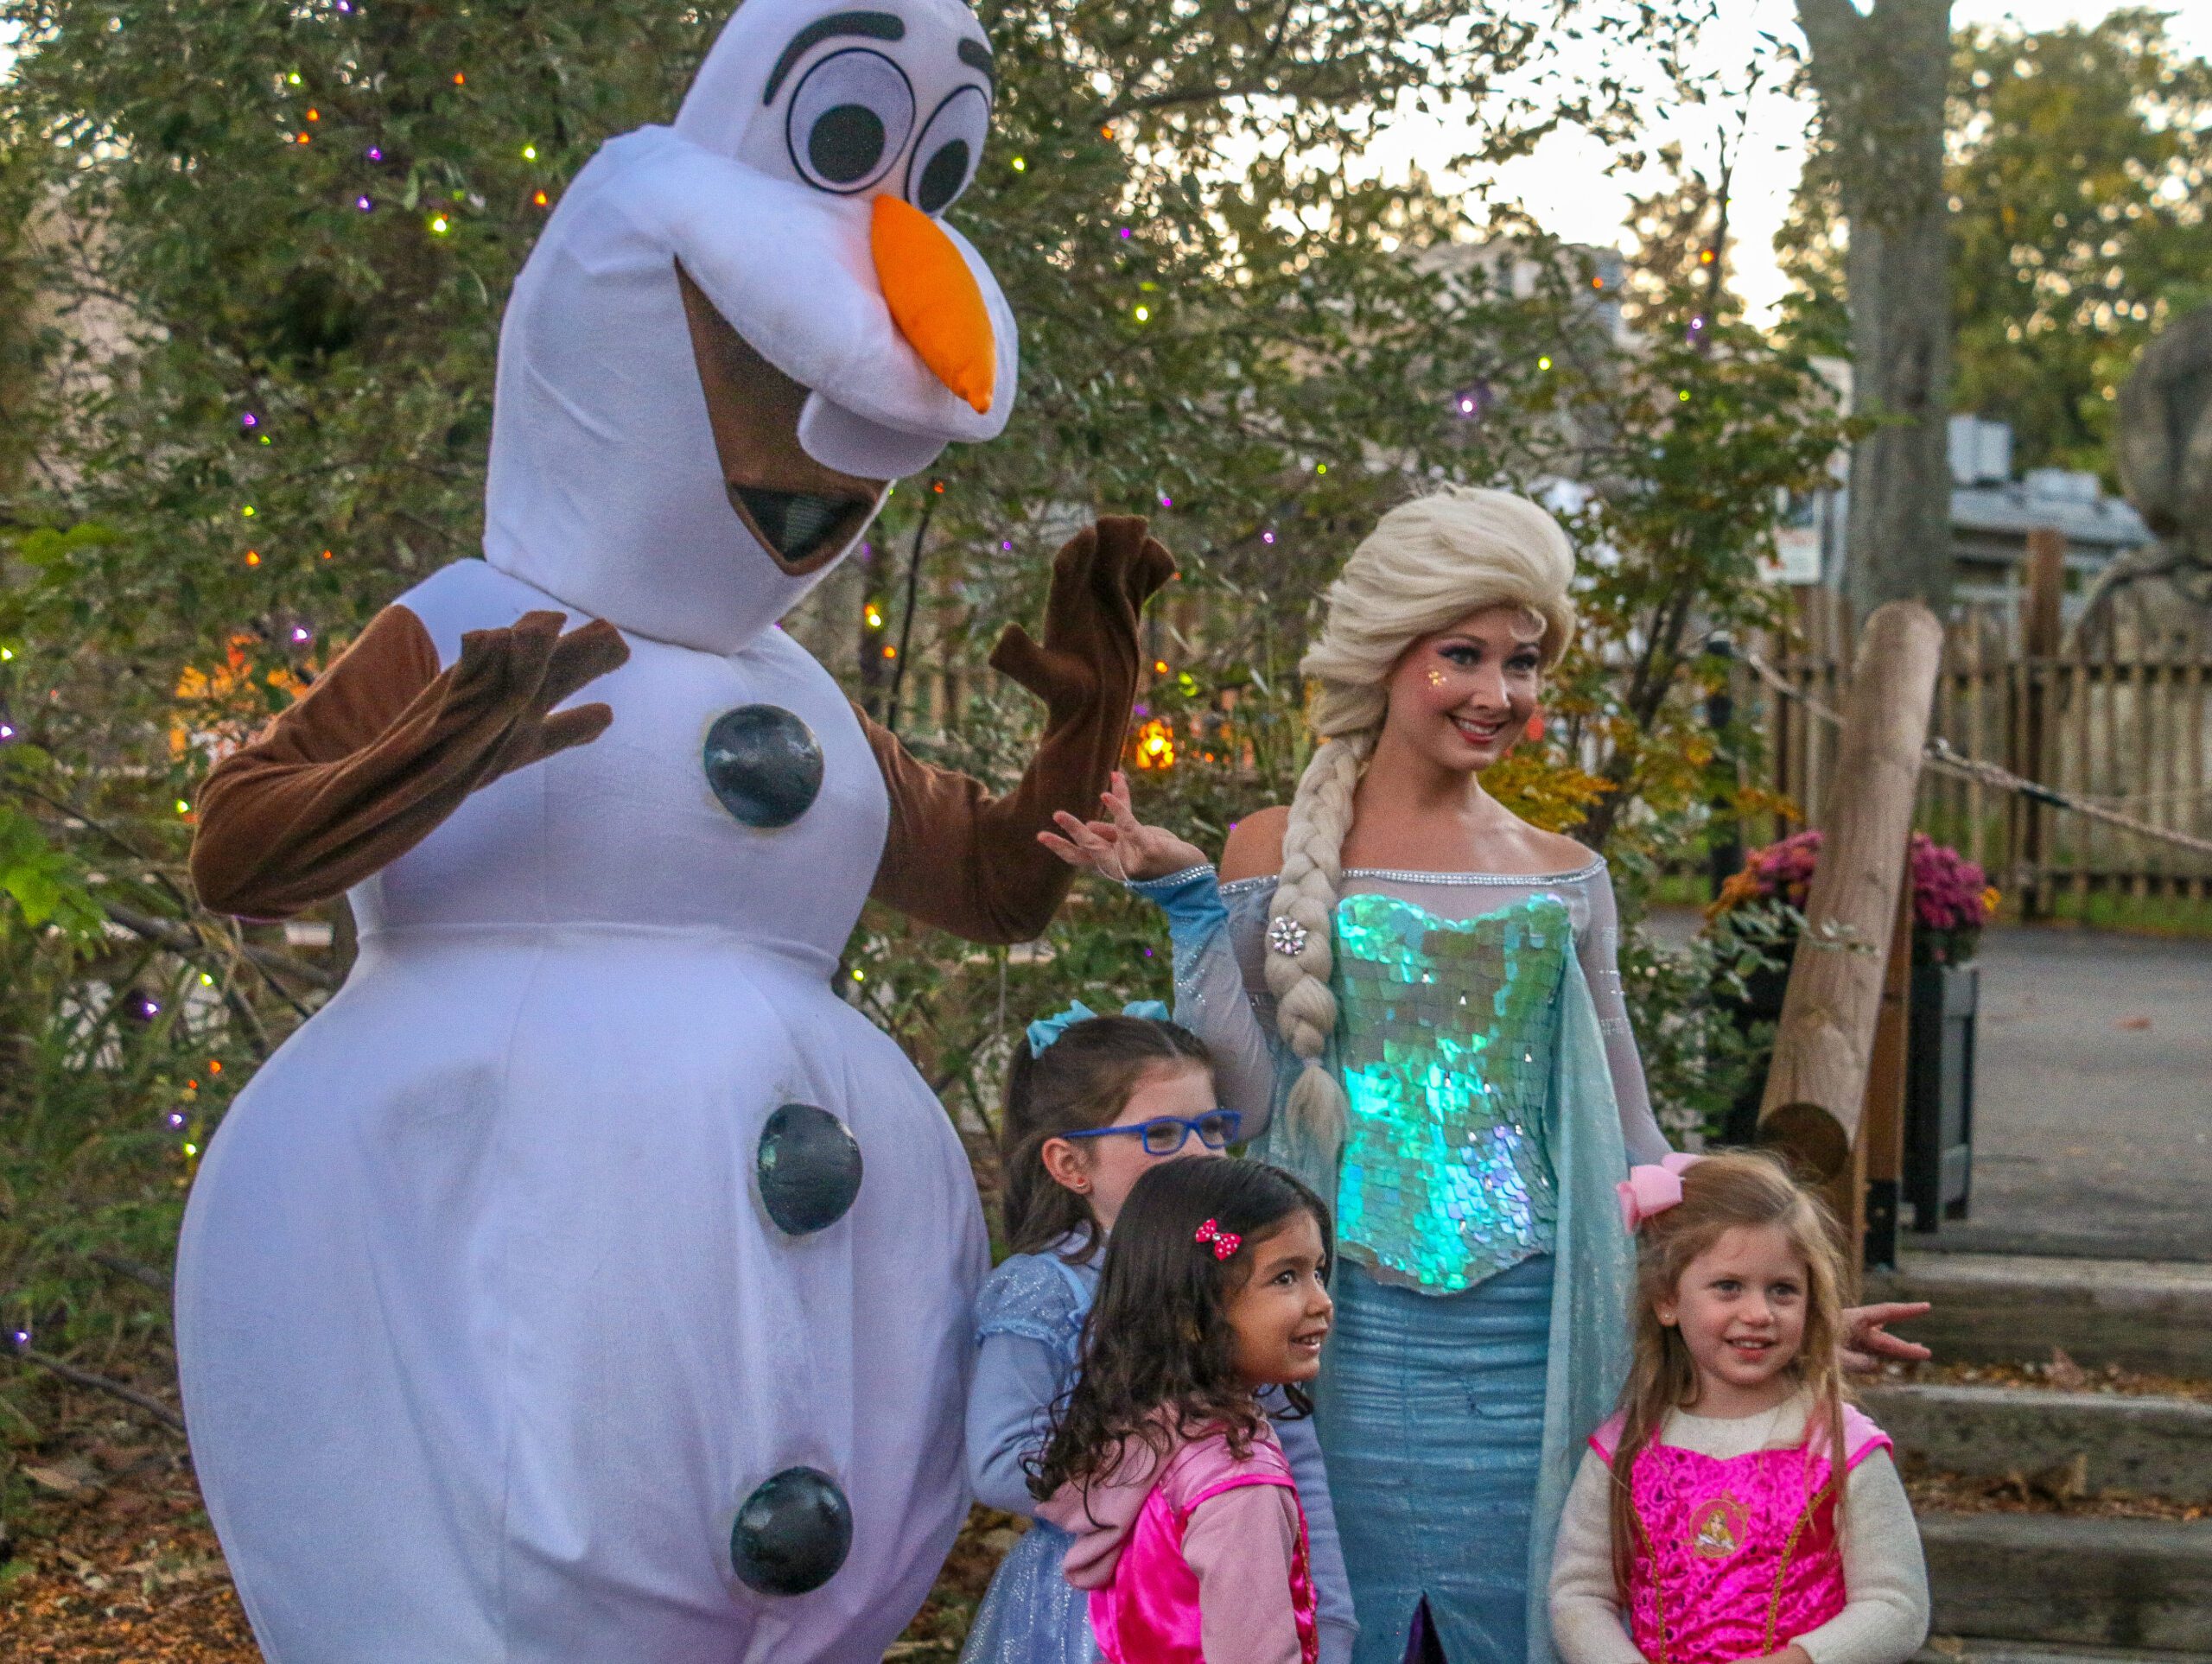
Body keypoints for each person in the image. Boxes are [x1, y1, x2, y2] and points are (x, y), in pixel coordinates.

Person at [1039, 486, 1931, 1664]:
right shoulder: (1276, 848)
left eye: (1523, 662)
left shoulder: (1566, 876)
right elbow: (1245, 1106)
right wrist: (1193, 903)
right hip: (1331, 1337)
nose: (1497, 693)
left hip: (1538, 1335)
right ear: (1389, 652)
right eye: (1462, 653)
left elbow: (1632, 1130)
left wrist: (1771, 1290)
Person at [962, 1006, 1357, 1664]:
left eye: (1209, 1127)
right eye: (1164, 1133)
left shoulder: (1235, 1274)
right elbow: (1002, 1460)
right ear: (1069, 1163)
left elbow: (1297, 1458)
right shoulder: (1049, 1287)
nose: (1199, 1151)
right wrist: (1162, 1464)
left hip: (1241, 1592)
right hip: (1097, 1610)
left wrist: (1332, 1621)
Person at [1548, 1151, 1929, 1664]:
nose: (1758, 1314)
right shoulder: (1626, 1448)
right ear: (1667, 1300)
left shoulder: (1839, 1446)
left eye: (1783, 1291)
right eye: (1729, 1287)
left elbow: (1897, 1605)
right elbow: (1581, 1594)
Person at [1033, 1157, 1338, 1664]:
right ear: (1193, 1312)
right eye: (1286, 1278)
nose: (1321, 1301)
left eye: (1318, 1272)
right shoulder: (1239, 1482)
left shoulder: (1147, 1432)